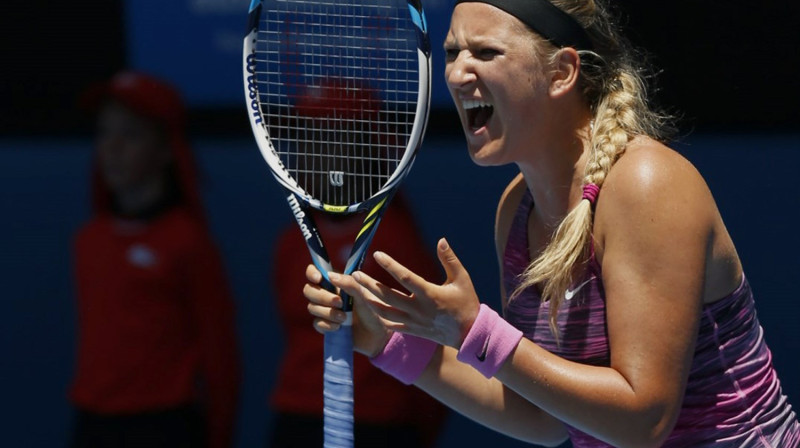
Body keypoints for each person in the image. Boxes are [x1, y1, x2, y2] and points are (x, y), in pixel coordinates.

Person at [303, 0, 800, 447]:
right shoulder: (516, 211)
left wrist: (477, 332)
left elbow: (643, 422)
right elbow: (544, 419)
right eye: (453, 53)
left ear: (562, 72)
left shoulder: (648, 183)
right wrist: (388, 341)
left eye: (485, 52)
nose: (456, 74)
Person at [69, 72, 241, 448]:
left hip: (162, 425)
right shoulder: (89, 240)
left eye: (130, 134)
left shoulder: (188, 242)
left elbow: (220, 356)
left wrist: (219, 432)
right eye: (104, 132)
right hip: (93, 422)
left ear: (166, 150)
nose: (112, 147)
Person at [269, 193, 448, 447]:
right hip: (298, 415)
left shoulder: (398, 238)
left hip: (380, 421)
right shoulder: (290, 243)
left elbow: (435, 337)